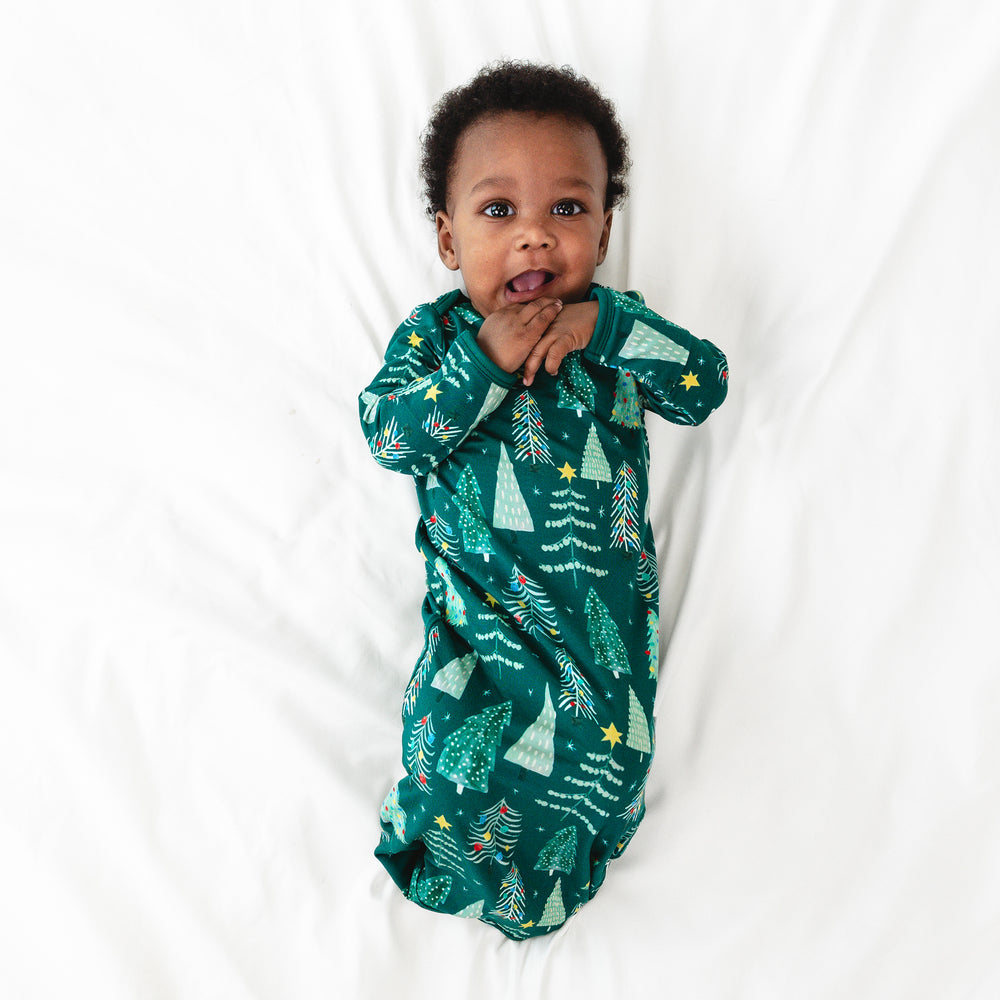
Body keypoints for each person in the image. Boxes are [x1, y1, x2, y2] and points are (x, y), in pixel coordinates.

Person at [359, 61, 728, 939]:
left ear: (602, 236)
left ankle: (572, 865)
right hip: (480, 629)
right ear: (448, 242)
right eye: (499, 212)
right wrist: (480, 363)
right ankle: (432, 854)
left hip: (597, 633)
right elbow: (390, 434)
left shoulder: (612, 327)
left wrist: (604, 327)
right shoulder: (438, 337)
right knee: (454, 754)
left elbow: (701, 385)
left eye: (567, 210)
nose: (534, 238)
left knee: (607, 755)